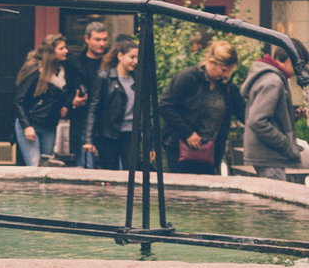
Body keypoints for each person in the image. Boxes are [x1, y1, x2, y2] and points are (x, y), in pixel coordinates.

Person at [159, 39, 245, 174]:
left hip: (209, 153)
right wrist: (187, 133)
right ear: (211, 63)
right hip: (179, 149)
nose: (226, 75)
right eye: (223, 70)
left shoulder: (227, 87)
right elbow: (165, 106)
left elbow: (244, 113)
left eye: (229, 71)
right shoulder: (188, 78)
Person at [240, 42, 305, 180]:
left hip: (266, 155)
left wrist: (292, 115)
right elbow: (258, 121)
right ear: (289, 59)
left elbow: (269, 116)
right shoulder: (273, 82)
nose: (301, 70)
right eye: (300, 64)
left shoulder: (269, 77)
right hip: (270, 157)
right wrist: (286, 144)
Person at [14, 33, 72, 166]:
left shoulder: (63, 71)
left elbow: (62, 97)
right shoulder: (35, 71)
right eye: (61, 48)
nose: (66, 51)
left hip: (50, 125)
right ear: (52, 52)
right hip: (31, 123)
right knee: (34, 165)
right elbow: (19, 100)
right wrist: (27, 126)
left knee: (47, 165)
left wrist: (65, 107)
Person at [83, 38, 139, 170]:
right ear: (120, 56)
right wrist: (88, 140)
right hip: (108, 134)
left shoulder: (137, 79)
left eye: (137, 58)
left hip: (131, 133)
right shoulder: (105, 77)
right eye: (132, 57)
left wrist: (151, 144)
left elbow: (145, 112)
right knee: (110, 171)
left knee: (132, 171)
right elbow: (94, 108)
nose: (135, 62)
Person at [67, 19, 109, 164]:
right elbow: (65, 90)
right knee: (85, 163)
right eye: (97, 39)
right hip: (82, 117)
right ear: (87, 39)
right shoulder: (74, 62)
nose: (102, 44)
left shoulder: (111, 62)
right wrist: (72, 101)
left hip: (108, 120)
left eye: (104, 39)